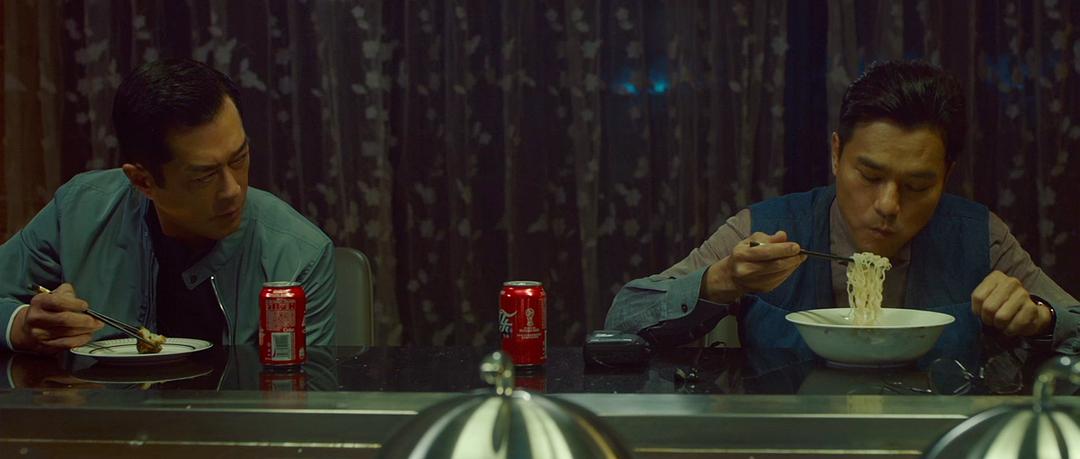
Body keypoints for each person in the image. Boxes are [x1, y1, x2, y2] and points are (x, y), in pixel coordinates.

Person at [605, 60, 1079, 355]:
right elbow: (623, 318)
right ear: (836, 155)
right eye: (869, 177)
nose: (888, 205)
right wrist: (721, 281)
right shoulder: (766, 226)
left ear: (947, 175)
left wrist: (1041, 318)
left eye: (917, 185)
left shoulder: (978, 236)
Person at [0, 58, 336, 353]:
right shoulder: (79, 210)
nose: (232, 190)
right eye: (204, 176)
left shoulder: (299, 254)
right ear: (143, 181)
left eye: (239, 158)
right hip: (100, 405)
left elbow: (303, 391)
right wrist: (21, 326)